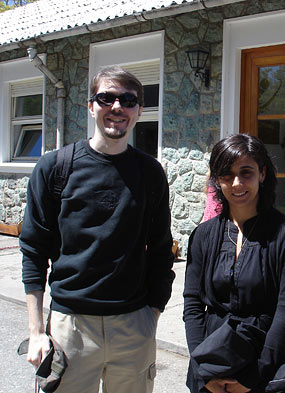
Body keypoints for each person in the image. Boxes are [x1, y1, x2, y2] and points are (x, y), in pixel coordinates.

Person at [20, 65, 175, 393]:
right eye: (106, 98)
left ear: (138, 111)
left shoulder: (150, 173)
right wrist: (36, 332)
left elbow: (161, 250)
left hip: (134, 327)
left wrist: (152, 318)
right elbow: (33, 250)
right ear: (91, 106)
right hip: (70, 329)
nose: (117, 107)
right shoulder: (55, 168)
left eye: (127, 100)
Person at [183, 134, 285, 393]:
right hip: (212, 359)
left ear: (262, 174)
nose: (236, 183)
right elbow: (193, 305)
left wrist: (254, 375)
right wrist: (203, 369)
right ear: (216, 180)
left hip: (268, 361)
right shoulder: (203, 235)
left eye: (246, 172)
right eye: (226, 175)